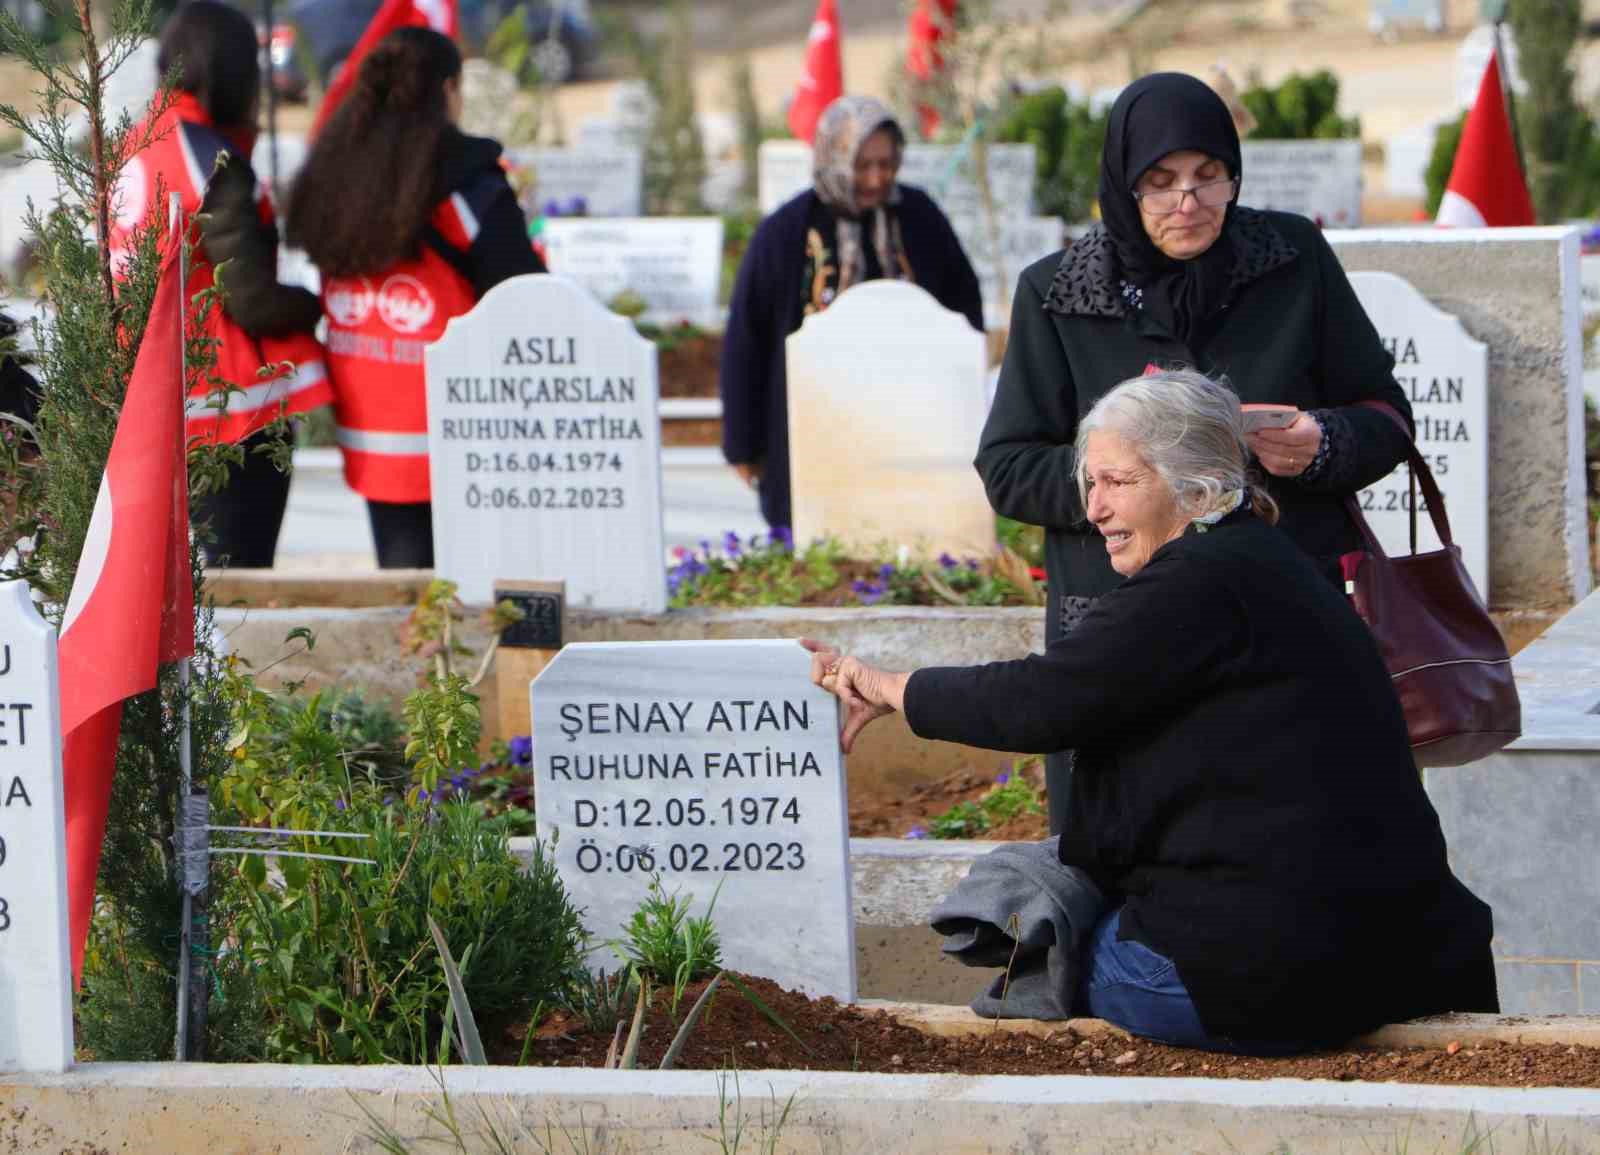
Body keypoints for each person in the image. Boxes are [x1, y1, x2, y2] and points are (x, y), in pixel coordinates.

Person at [805, 371, 1497, 1053]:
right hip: (1400, 951)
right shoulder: (1262, 559)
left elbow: (1041, 700)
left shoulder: (1194, 585)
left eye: (1119, 482)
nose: (1094, 508)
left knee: (1032, 911)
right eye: (1091, 484)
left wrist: (889, 686)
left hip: (1277, 974)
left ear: (1191, 482)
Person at [977, 72, 1414, 833]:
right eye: (1162, 181)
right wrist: (1125, 478)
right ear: (1123, 183)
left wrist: (1319, 443)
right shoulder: (1057, 294)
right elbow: (1008, 465)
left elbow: (1386, 416)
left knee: (1296, 836)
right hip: (1121, 628)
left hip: (1280, 615)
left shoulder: (1292, 260)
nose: (1189, 201)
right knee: (1128, 853)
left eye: (1209, 177)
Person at [286, 27, 544, 568]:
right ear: (449, 90)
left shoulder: (335, 179)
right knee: (475, 596)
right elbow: (524, 299)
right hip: (461, 428)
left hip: (370, 423)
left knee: (406, 592)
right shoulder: (469, 188)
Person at [111, 0, 331, 568]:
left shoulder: (133, 148)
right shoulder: (211, 158)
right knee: (236, 581)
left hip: (152, 393)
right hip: (230, 405)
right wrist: (313, 306)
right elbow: (251, 297)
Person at [720, 95, 984, 531]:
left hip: (913, 426)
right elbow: (747, 341)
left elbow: (964, 308)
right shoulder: (786, 232)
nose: (877, 178)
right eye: (862, 165)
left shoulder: (919, 218)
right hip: (813, 426)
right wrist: (743, 447)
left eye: (887, 163)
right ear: (833, 158)